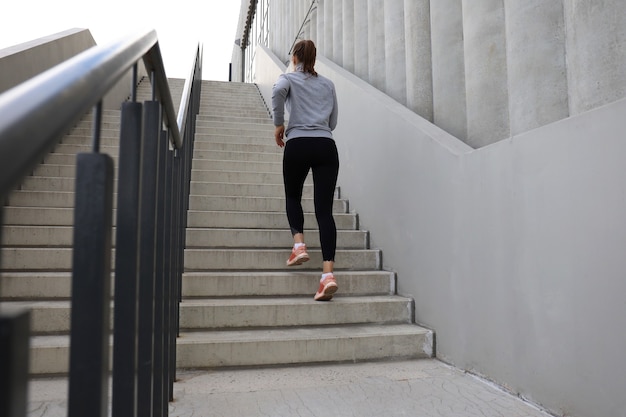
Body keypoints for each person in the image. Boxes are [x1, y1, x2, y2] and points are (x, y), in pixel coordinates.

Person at [271, 39, 339, 301]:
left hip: (298, 142)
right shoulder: (328, 84)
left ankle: (299, 244)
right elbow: (333, 121)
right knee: (324, 212)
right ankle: (327, 276)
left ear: (296, 57)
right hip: (326, 145)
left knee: (292, 196)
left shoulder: (287, 78)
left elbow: (277, 93)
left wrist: (279, 125)